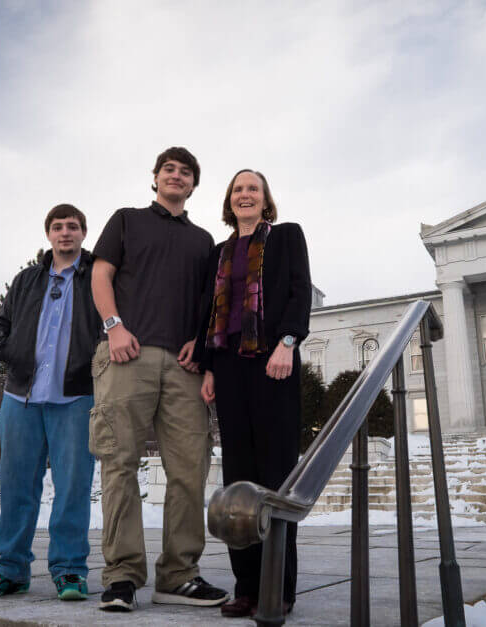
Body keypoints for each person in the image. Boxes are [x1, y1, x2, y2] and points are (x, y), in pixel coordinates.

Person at [90, 147, 229, 612]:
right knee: (119, 465)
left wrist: (200, 342)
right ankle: (123, 576)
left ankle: (178, 574)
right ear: (155, 179)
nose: (176, 176)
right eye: (168, 169)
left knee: (190, 470)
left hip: (184, 365)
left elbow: (211, 303)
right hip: (127, 354)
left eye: (185, 172)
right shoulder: (127, 220)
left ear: (193, 185)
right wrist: (114, 327)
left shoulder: (204, 240)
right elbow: (101, 275)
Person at [193, 169, 311, 618]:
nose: (245, 195)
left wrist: (287, 341)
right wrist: (207, 368)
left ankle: (279, 587)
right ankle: (246, 586)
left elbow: (299, 291)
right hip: (228, 367)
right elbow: (209, 313)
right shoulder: (219, 252)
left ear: (265, 200)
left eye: (253, 189)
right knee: (237, 482)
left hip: (272, 363)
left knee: (276, 477)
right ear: (230, 200)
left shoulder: (286, 236)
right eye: (238, 189)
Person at [0, 204, 100, 601]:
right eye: (57, 227)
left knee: (73, 488)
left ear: (82, 233)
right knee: (17, 486)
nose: (65, 233)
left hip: (76, 396)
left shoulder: (98, 278)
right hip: (20, 397)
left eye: (72, 227)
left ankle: (70, 571)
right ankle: (10, 569)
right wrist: (5, 350)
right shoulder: (27, 279)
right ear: (48, 234)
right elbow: (0, 321)